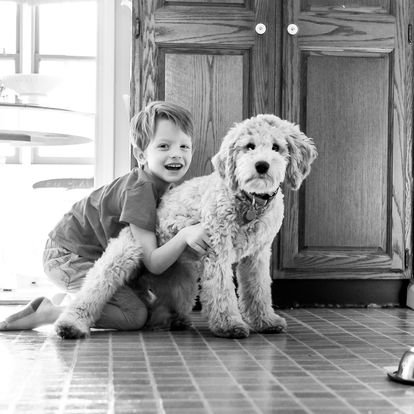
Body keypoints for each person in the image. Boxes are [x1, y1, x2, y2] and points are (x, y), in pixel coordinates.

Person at [0, 101, 210, 331]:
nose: (176, 154)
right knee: (134, 316)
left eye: (184, 146)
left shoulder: (165, 190)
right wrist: (184, 235)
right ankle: (51, 312)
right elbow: (153, 263)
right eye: (164, 146)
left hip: (88, 255)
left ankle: (74, 299)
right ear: (141, 155)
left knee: (151, 309)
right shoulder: (139, 192)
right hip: (69, 257)